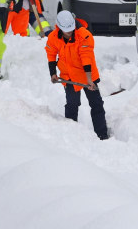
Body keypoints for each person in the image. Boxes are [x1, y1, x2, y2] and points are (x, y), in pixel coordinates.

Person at [46, 10, 109, 140]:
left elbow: (87, 58)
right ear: (59, 27)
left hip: (88, 74)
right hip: (69, 75)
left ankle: (102, 134)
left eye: (71, 29)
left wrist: (89, 80)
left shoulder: (84, 35)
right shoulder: (53, 37)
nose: (69, 32)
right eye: (66, 30)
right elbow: (51, 54)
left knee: (96, 103)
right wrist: (53, 73)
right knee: (72, 104)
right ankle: (71, 134)